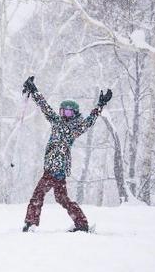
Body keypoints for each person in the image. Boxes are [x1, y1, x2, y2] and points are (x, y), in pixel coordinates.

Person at [21, 76, 112, 232]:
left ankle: (31, 223)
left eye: (68, 112)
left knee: (38, 195)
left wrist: (100, 105)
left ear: (74, 113)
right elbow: (45, 107)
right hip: (56, 168)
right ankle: (81, 223)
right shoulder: (56, 122)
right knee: (61, 198)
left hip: (55, 168)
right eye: (63, 111)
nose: (64, 114)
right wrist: (34, 90)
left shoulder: (75, 128)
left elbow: (90, 120)